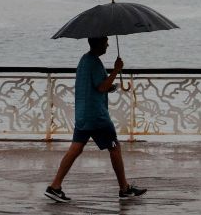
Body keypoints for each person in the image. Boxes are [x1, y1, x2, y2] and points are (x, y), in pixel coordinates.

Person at [45, 36, 147, 202]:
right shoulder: (94, 62)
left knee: (75, 148)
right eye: (106, 41)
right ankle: (124, 189)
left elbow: (96, 86)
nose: (108, 44)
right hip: (96, 117)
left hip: (83, 115)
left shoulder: (85, 60)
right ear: (98, 43)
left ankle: (55, 186)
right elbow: (101, 87)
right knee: (114, 148)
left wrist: (110, 85)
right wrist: (116, 70)